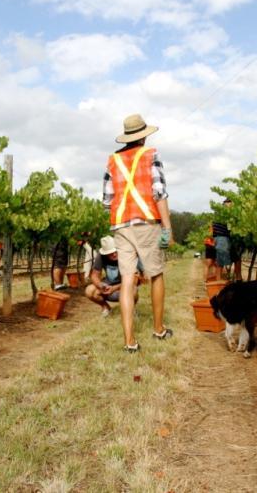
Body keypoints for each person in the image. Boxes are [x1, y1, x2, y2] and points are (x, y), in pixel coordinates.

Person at [103, 113, 173, 353]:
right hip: (146, 222)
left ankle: (129, 341)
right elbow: (159, 192)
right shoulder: (151, 154)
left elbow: (107, 200)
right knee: (156, 274)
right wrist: (167, 227)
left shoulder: (112, 161)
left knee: (127, 280)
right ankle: (158, 329)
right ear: (143, 137)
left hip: (120, 226)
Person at [84, 236, 141, 317]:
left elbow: (134, 280)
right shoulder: (100, 256)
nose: (114, 254)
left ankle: (131, 310)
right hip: (108, 288)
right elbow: (94, 275)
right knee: (89, 290)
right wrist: (100, 285)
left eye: (115, 251)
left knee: (133, 289)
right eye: (110, 253)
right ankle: (106, 308)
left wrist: (114, 288)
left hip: (124, 287)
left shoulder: (126, 254)